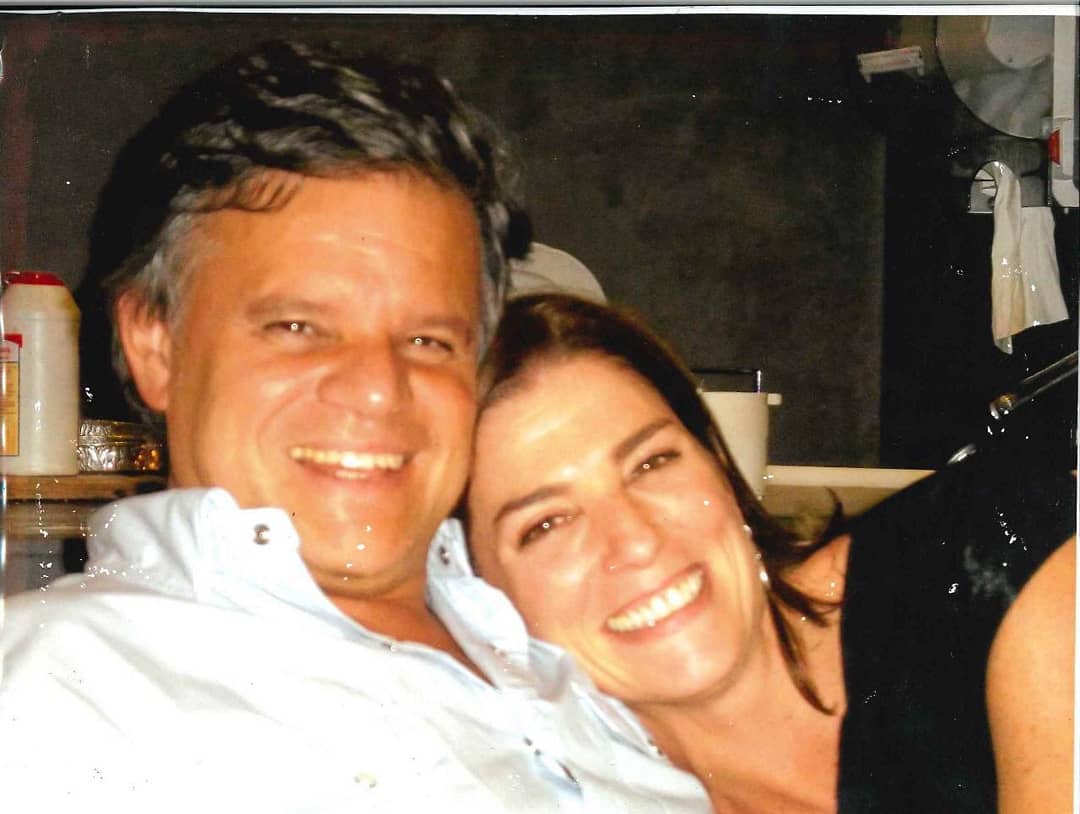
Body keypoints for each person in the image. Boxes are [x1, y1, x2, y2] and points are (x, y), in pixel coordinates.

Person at [0, 41, 710, 813]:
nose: (377, 390)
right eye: (299, 327)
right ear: (155, 343)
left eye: (428, 340)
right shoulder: (55, 694)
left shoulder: (572, 634)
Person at [464, 292, 1076, 813]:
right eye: (546, 524)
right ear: (472, 598)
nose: (636, 539)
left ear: (719, 464)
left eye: (651, 463)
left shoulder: (988, 562)